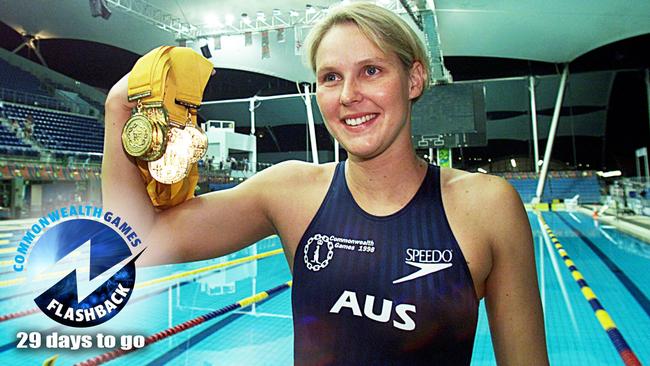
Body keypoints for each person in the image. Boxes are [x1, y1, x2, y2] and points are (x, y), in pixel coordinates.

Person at [103, 2, 548, 365]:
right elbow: (139, 241)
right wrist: (119, 107)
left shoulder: (487, 206)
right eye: (330, 77)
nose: (348, 94)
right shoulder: (289, 191)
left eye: (371, 70)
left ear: (414, 78)